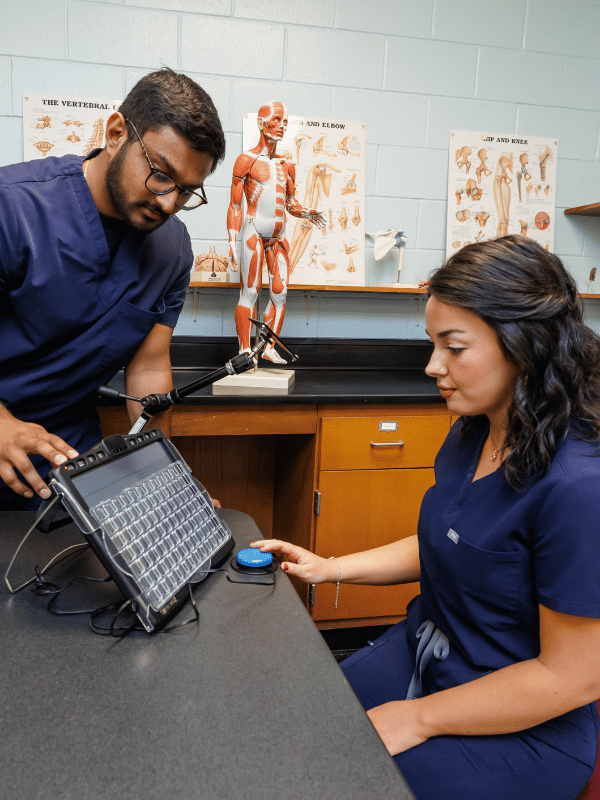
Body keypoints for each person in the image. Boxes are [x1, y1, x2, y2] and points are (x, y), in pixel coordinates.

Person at [251, 235, 600, 800]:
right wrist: (329, 567)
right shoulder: (475, 429)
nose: (433, 366)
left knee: (329, 779)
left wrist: (417, 718)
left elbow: (572, 676)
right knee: (290, 723)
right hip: (431, 648)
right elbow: (452, 543)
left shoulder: (579, 486)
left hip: (526, 720)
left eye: (454, 347)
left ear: (525, 346)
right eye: (433, 343)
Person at [0, 68, 226, 510]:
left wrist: (166, 475)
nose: (168, 203)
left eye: (186, 192)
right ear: (117, 131)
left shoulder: (172, 248)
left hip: (63, 458)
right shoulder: (12, 208)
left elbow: (148, 367)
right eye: (161, 175)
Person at [227, 101, 324, 363]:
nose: (282, 126)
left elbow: (290, 203)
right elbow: (236, 204)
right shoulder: (246, 160)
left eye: (285, 122)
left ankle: (267, 347)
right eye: (277, 120)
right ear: (261, 124)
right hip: (254, 231)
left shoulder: (287, 165)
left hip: (278, 237)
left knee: (280, 293)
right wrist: (231, 240)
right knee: (250, 292)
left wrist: (306, 212)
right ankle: (244, 351)